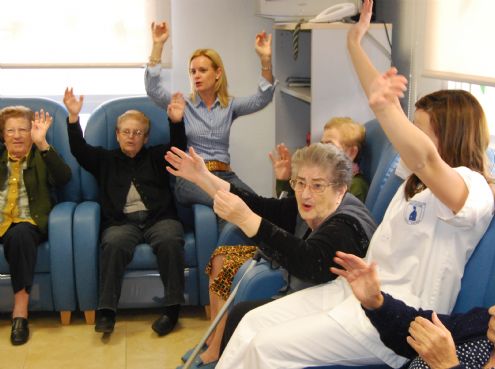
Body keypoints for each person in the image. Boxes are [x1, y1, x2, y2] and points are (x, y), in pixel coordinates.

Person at [212, 0, 495, 368]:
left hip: (394, 320)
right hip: (353, 293)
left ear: (451, 137)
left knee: (266, 347)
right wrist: (354, 45)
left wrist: (383, 108)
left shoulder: (472, 190)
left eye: (420, 131)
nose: (408, 135)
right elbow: (411, 148)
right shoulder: (413, 184)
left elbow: (423, 157)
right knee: (252, 323)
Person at [165, 142, 377, 369]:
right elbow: (256, 204)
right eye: (300, 183)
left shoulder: (348, 225)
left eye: (317, 185)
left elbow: (310, 262)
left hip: (335, 315)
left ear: (341, 189)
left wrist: (247, 220)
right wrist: (202, 177)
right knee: (239, 315)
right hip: (305, 300)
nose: (305, 194)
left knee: (245, 321)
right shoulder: (309, 206)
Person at [64, 88, 187, 336]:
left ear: (146, 138)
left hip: (159, 219)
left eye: (137, 133)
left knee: (171, 240)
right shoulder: (104, 159)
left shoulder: (156, 156)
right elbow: (79, 149)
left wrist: (176, 122)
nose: (131, 137)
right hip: (122, 223)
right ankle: (107, 312)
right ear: (117, 135)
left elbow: (178, 148)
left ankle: (172, 310)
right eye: (126, 132)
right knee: (113, 244)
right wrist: (74, 118)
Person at [332, 252, 495, 369]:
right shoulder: (481, 323)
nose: (493, 310)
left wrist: (447, 366)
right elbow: (413, 327)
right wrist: (376, 302)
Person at [145, 21, 276, 207]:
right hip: (192, 177)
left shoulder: (230, 105)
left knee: (258, 206)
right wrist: (157, 46)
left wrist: (265, 61)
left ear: (217, 73)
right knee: (230, 201)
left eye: (202, 70)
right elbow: (152, 89)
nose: (196, 75)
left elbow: (263, 98)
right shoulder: (183, 104)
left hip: (224, 174)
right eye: (193, 71)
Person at [0, 106, 72, 345]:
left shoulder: (41, 156)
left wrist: (42, 144)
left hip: (28, 224)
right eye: (11, 130)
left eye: (23, 129)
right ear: (3, 135)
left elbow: (64, 178)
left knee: (19, 234)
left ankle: (20, 313)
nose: (17, 135)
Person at [271, 117, 369, 202]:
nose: (322, 150)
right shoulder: (320, 178)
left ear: (351, 152)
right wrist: (284, 180)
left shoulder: (355, 186)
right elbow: (293, 210)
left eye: (330, 145)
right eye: (322, 144)